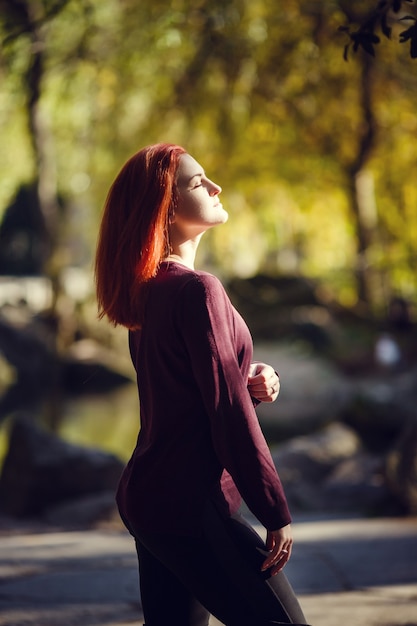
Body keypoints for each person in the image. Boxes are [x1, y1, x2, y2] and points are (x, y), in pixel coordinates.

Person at [95, 143, 310, 626]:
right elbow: (226, 411)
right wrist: (274, 509)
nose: (214, 187)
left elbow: (186, 388)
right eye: (197, 182)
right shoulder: (198, 290)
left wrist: (249, 373)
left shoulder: (146, 294)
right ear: (164, 209)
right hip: (191, 502)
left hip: (149, 498)